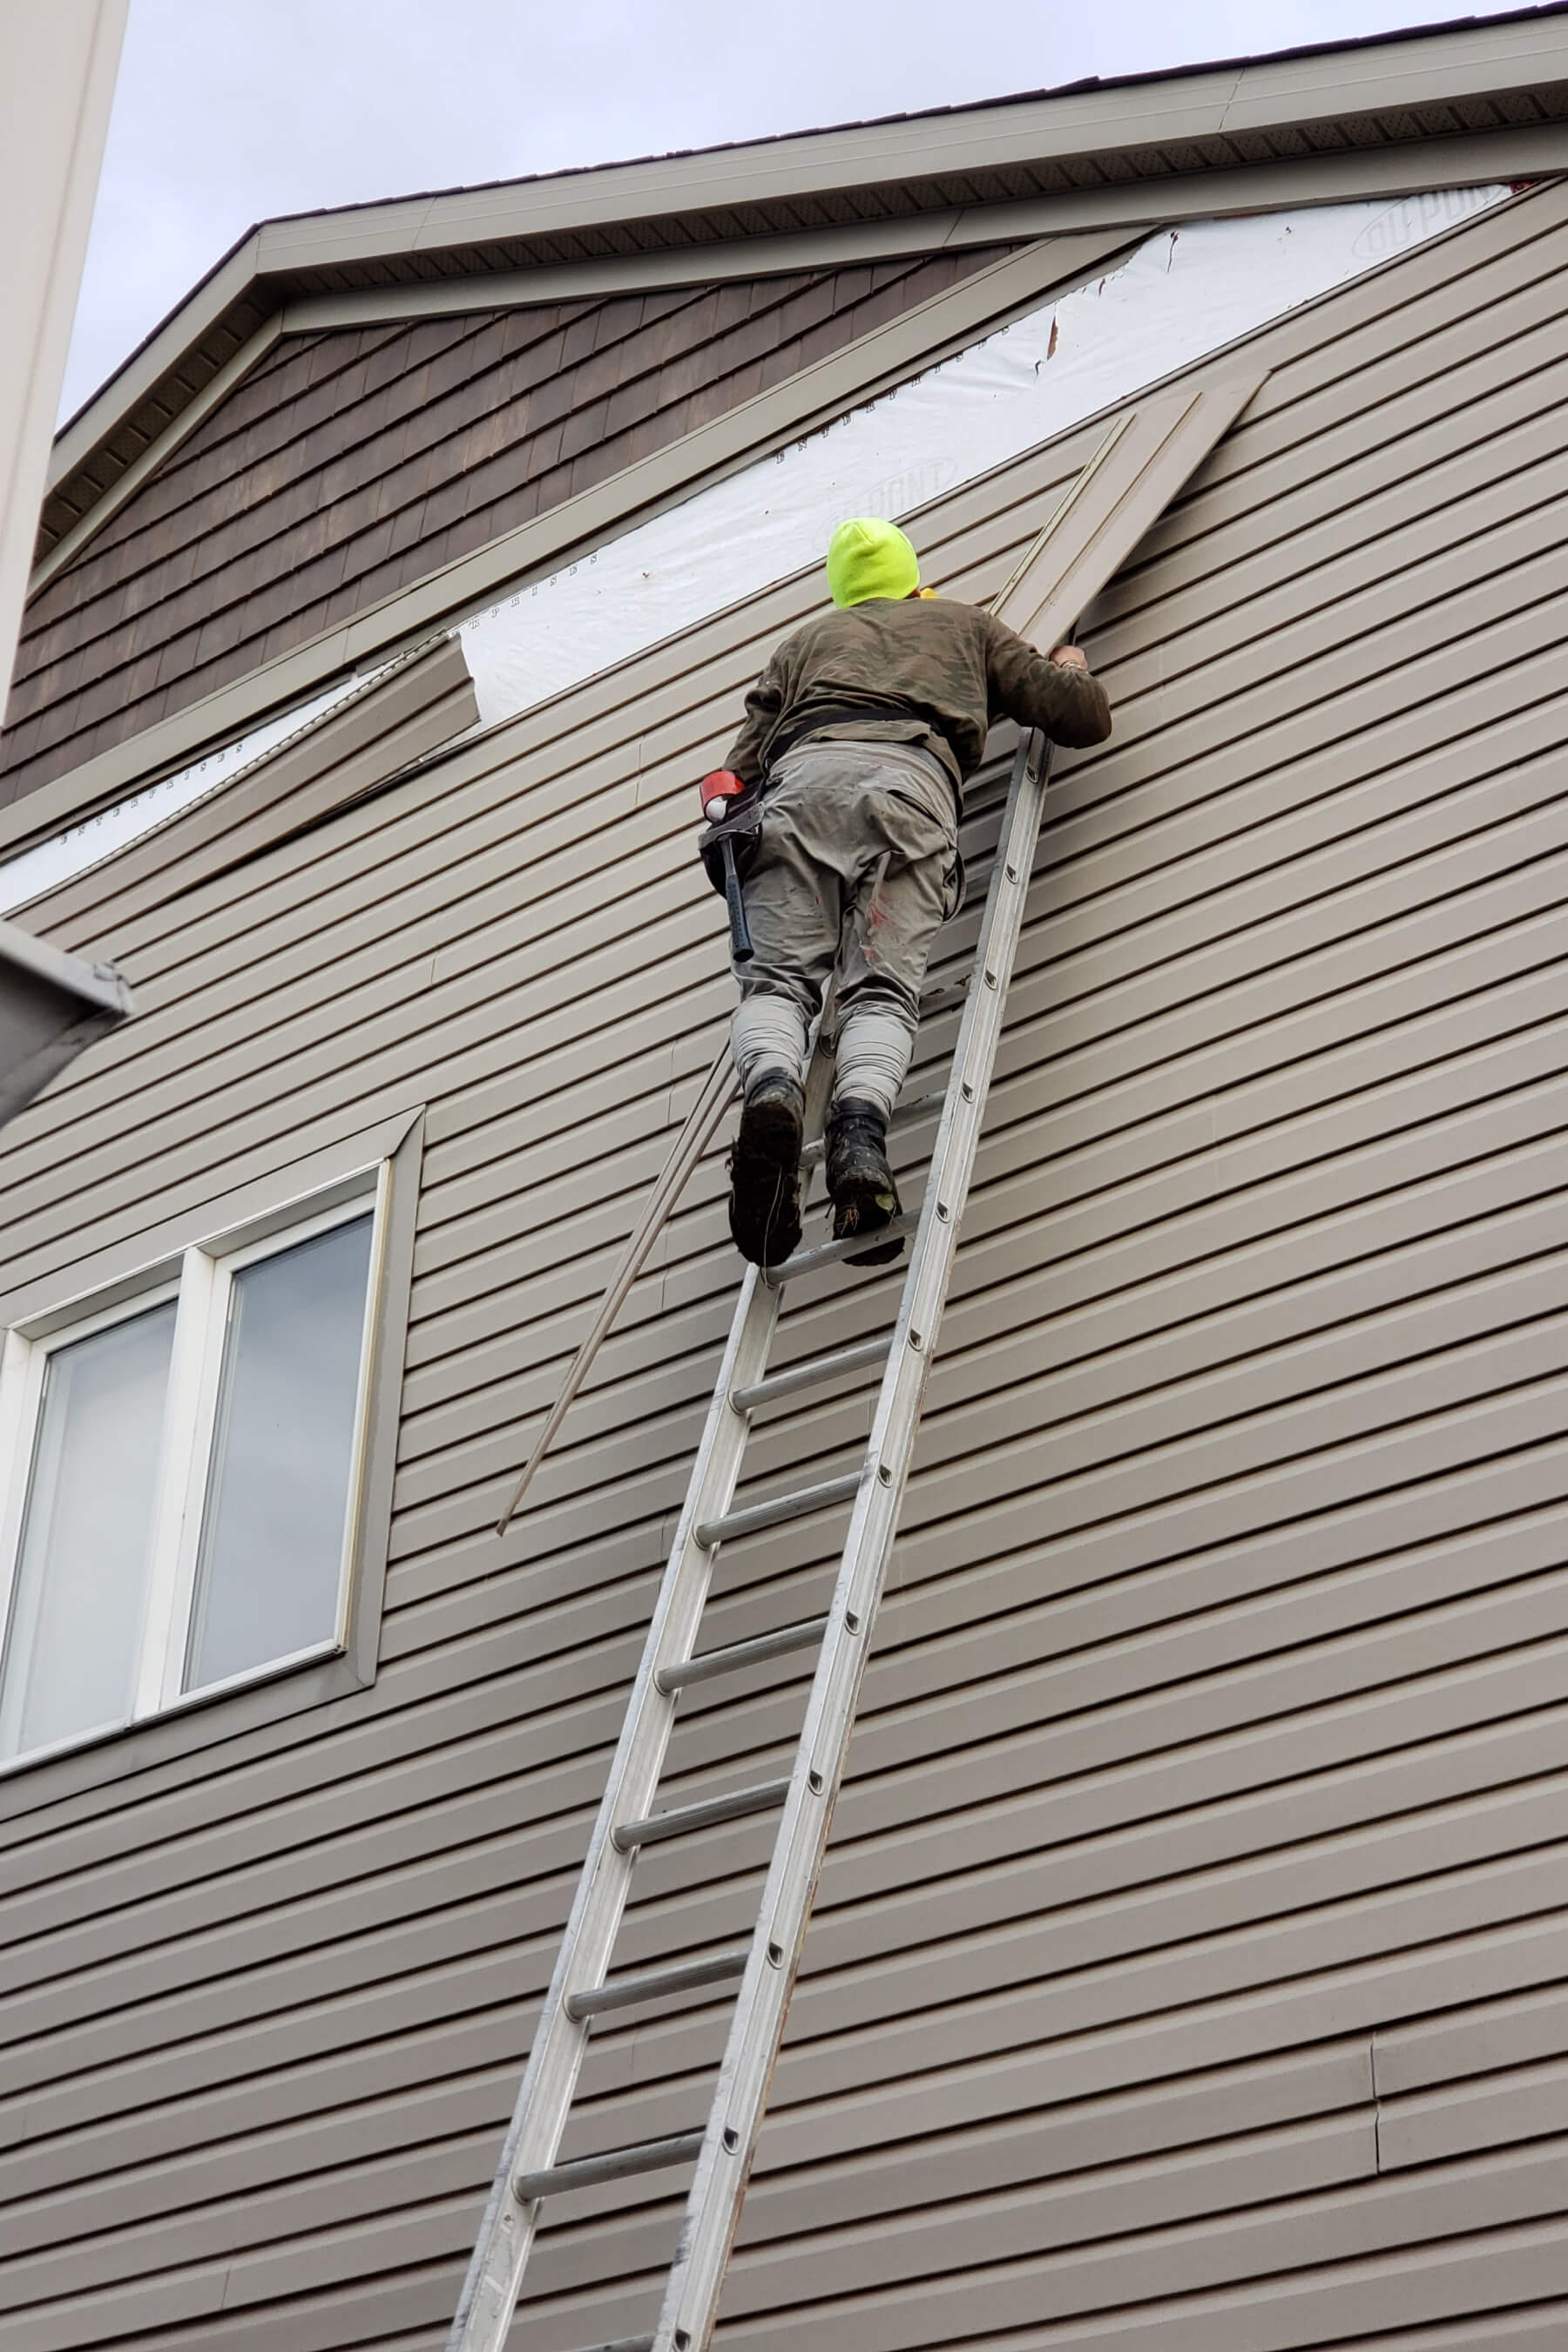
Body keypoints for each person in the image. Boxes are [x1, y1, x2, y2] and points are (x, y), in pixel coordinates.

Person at [701, 517, 1112, 1268]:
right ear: (912, 574)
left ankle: (770, 1089)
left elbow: (735, 781)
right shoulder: (963, 625)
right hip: (908, 794)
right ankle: (858, 1141)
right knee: (881, 992)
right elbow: (1077, 717)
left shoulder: (802, 647)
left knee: (780, 985)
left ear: (842, 592)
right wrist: (1074, 671)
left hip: (800, 793)